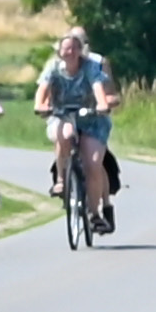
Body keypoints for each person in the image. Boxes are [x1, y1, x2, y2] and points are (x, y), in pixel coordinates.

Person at [37, 26, 116, 235]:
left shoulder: (94, 64)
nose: (70, 52)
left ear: (82, 48)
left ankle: (95, 212)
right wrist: (41, 105)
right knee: (65, 132)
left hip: (92, 119)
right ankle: (62, 179)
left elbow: (101, 88)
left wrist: (102, 104)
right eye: (66, 47)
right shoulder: (53, 67)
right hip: (64, 115)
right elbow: (42, 89)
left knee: (93, 163)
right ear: (59, 50)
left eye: (75, 47)